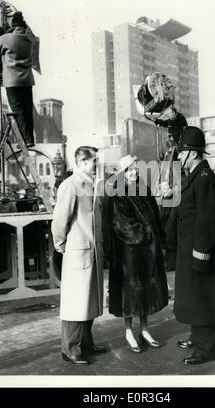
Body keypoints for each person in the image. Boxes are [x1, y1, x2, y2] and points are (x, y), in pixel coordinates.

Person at [174, 126, 215, 365]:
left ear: (193, 154)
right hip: (191, 246)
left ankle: (206, 348)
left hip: (200, 248)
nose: (178, 157)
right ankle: (197, 338)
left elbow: (207, 219)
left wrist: (201, 253)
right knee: (196, 296)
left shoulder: (204, 178)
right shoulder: (195, 175)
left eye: (181, 152)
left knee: (206, 297)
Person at [106, 155, 168, 353]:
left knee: (145, 294)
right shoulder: (119, 192)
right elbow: (120, 223)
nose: (133, 172)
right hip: (129, 253)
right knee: (129, 296)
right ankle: (128, 332)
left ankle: (144, 329)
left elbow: (155, 217)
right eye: (129, 170)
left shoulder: (144, 189)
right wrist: (147, 233)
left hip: (147, 251)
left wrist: (160, 241)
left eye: (135, 169)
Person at [51, 146, 106, 365]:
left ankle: (85, 342)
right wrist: (60, 244)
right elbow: (60, 220)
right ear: (82, 161)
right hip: (78, 251)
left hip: (90, 252)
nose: (97, 165)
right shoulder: (70, 185)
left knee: (89, 300)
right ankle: (70, 348)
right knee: (76, 303)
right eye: (94, 161)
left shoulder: (90, 184)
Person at [0, 11, 36, 147]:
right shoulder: (29, 39)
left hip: (12, 81)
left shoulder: (6, 38)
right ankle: (29, 139)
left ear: (12, 25)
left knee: (17, 110)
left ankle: (24, 141)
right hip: (27, 81)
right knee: (27, 111)